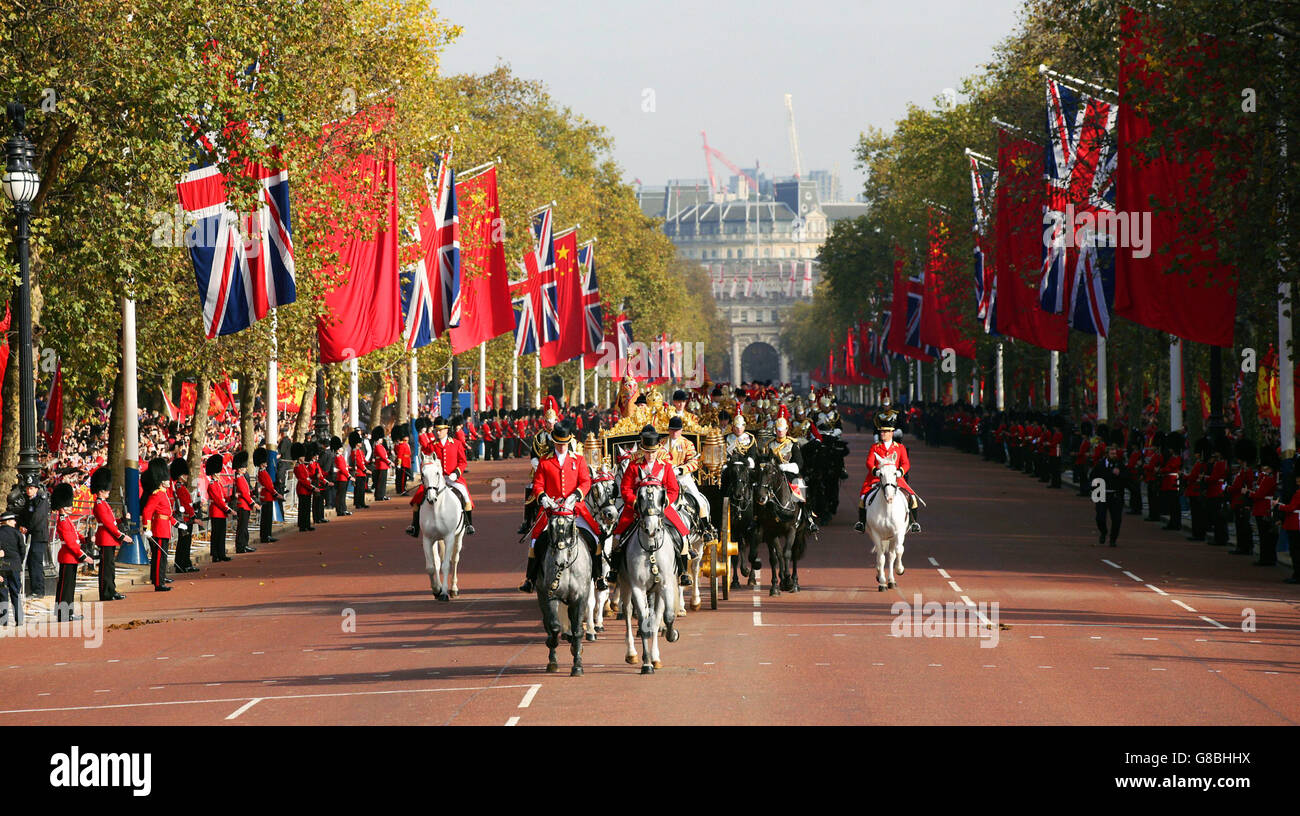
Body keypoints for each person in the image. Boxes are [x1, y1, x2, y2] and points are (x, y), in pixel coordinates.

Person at [520, 420, 601, 591]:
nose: (562, 447)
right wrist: (542, 497)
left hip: (574, 509)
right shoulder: (544, 461)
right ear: (554, 442)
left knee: (594, 537)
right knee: (535, 541)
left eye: (565, 443)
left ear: (569, 441)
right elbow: (538, 483)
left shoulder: (578, 460)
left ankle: (598, 577)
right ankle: (530, 579)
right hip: (551, 509)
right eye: (559, 443)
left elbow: (586, 481)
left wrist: (577, 495)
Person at [609, 425, 693, 588]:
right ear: (643, 450)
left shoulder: (666, 466)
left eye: (653, 452)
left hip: (661, 508)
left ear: (657, 450)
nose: (650, 455)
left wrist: (665, 501)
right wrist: (635, 502)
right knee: (617, 537)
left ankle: (682, 572)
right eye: (647, 452)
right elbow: (625, 488)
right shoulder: (634, 466)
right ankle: (614, 570)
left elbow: (673, 489)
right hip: (635, 509)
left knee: (682, 534)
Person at [406, 416, 474, 537]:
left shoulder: (457, 444)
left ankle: (468, 524)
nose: (438, 432)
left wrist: (456, 473)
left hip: (453, 478)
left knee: (465, 496)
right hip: (435, 480)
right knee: (417, 499)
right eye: (436, 430)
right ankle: (414, 526)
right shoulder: (431, 446)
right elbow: (425, 462)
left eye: (441, 430)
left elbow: (463, 462)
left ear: (446, 430)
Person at [856, 409, 921, 534]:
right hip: (876, 478)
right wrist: (875, 471)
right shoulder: (875, 447)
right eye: (881, 431)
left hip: (895, 479)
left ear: (891, 433)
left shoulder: (900, 448)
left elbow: (906, 463)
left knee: (912, 498)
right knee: (863, 498)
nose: (882, 434)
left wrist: (900, 472)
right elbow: (869, 462)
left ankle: (914, 523)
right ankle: (861, 523)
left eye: (885, 432)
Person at [661, 415, 715, 539]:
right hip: (665, 478)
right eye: (672, 430)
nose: (674, 432)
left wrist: (681, 469)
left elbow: (694, 462)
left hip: (683, 477)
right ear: (669, 430)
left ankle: (705, 528)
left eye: (677, 430)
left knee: (698, 499)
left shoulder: (687, 444)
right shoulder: (662, 443)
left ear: (681, 430)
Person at [768, 411, 818, 534]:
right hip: (773, 474)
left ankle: (808, 518)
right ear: (775, 430)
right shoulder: (770, 444)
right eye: (778, 429)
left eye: (782, 429)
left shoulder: (792, 443)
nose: (780, 432)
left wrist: (784, 467)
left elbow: (799, 464)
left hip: (789, 474)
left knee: (801, 488)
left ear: (786, 430)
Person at [52, 483, 92, 620]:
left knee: (69, 587)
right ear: (62, 507)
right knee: (66, 588)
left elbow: (75, 535)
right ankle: (64, 614)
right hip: (68, 556)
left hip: (71, 557)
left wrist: (85, 539)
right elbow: (70, 542)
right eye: (68, 505)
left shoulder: (66, 519)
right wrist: (83, 556)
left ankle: (66, 613)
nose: (71, 507)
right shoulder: (62, 521)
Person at [141, 459, 176, 590]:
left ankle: (159, 578)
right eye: (167, 479)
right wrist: (146, 528)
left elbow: (167, 513)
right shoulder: (156, 495)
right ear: (162, 481)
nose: (169, 481)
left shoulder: (163, 494)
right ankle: (158, 582)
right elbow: (147, 511)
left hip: (165, 528)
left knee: (162, 557)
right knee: (159, 557)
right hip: (159, 530)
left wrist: (177, 524)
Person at [1089, 439, 1128, 547]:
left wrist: (1119, 474)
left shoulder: (1120, 465)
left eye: (1115, 453)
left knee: (1116, 519)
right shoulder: (1100, 465)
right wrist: (1094, 492)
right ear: (1107, 455)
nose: (1114, 455)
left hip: (1115, 495)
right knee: (1100, 517)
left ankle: (1113, 539)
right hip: (1102, 493)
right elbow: (1093, 478)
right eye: (1112, 453)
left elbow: (1127, 478)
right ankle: (1103, 532)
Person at [18, 481, 50, 600]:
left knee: (36, 562)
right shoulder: (28, 500)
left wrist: (27, 527)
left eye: (31, 488)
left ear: (36, 489)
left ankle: (38, 590)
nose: (29, 491)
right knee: (32, 562)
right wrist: (22, 525)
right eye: (28, 488)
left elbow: (37, 517)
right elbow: (24, 515)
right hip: (32, 534)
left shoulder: (41, 500)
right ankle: (35, 589)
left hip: (38, 535)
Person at [169, 459, 199, 572]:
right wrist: (193, 516)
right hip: (185, 518)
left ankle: (184, 563)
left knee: (185, 542)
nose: (187, 476)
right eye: (185, 474)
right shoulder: (180, 488)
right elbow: (185, 504)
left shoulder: (180, 487)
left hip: (186, 517)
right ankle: (181, 564)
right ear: (181, 475)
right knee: (184, 543)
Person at [1228, 439, 1256, 556]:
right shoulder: (1243, 471)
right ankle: (1242, 546)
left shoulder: (1246, 471)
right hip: (1238, 500)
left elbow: (1238, 486)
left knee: (1243, 526)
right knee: (1240, 525)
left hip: (1242, 501)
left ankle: (1245, 547)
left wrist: (1228, 488)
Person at [204, 453, 231, 561]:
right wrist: (227, 509)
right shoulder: (212, 484)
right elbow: (218, 500)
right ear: (214, 473)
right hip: (216, 511)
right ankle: (215, 555)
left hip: (221, 512)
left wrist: (230, 497)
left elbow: (222, 497)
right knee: (216, 534)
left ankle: (221, 553)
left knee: (221, 533)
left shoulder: (217, 483)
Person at [254, 448, 283, 545]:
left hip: (268, 496)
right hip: (267, 496)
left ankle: (267, 535)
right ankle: (266, 536)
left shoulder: (263, 472)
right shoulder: (262, 472)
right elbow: (269, 486)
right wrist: (277, 495)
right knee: (266, 518)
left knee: (267, 517)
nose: (266, 463)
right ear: (262, 463)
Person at [0, 511, 24, 625]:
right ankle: (19, 619)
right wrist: (19, 562)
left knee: (2, 593)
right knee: (15, 592)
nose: (15, 522)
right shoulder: (17, 533)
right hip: (14, 566)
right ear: (8, 521)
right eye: (13, 520)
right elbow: (22, 550)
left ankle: (3, 620)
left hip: (1, 567)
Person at [232, 450, 256, 553]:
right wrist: (253, 503)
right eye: (244, 467)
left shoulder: (241, 477)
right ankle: (241, 546)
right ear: (240, 468)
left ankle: (244, 544)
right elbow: (244, 493)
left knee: (244, 526)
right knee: (242, 527)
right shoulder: (239, 478)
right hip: (243, 505)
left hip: (245, 505)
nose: (246, 469)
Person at [1159, 432, 1183, 531]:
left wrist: (1161, 470)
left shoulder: (1177, 458)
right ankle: (1173, 522)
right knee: (1171, 505)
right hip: (1168, 482)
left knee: (1174, 505)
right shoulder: (1173, 457)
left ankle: (1176, 523)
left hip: (1173, 482)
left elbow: (1170, 468)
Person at [291, 443, 315, 532]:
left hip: (307, 489)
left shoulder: (303, 465)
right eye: (302, 456)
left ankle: (307, 524)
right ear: (298, 457)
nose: (304, 458)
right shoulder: (297, 467)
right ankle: (302, 525)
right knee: (303, 508)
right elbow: (303, 479)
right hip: (302, 489)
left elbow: (308, 476)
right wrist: (312, 487)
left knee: (307, 508)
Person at [330, 436, 352, 517]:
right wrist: (349, 476)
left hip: (343, 477)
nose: (342, 449)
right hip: (341, 478)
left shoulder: (340, 456)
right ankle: (340, 510)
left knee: (342, 495)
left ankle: (343, 509)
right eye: (341, 448)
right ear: (338, 449)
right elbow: (342, 468)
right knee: (340, 495)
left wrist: (349, 468)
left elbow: (344, 466)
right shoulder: (338, 457)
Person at [349, 431, 369, 509]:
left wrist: (369, 463)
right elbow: (359, 462)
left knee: (362, 489)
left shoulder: (360, 451)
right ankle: (358, 503)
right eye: (360, 443)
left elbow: (363, 461)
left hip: (362, 473)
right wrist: (364, 470)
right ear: (357, 443)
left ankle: (362, 502)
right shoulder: (354, 452)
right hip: (359, 472)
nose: (361, 444)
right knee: (358, 489)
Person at [371, 427, 390, 501]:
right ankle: (380, 495)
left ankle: (382, 494)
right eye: (380, 438)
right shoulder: (378, 446)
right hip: (381, 465)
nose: (382, 439)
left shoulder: (380, 446)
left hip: (383, 465)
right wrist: (389, 462)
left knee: (382, 482)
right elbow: (382, 456)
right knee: (381, 482)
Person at [394, 425, 411, 495]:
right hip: (403, 464)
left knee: (403, 478)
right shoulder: (402, 445)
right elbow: (400, 456)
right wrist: (399, 464)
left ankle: (401, 489)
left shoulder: (405, 444)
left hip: (406, 463)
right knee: (402, 478)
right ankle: (402, 490)